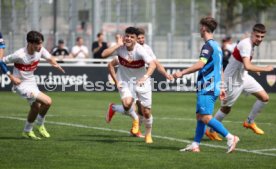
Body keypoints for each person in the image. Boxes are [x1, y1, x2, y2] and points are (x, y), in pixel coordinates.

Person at [173, 16, 239, 153]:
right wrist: (221, 87)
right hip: (212, 86)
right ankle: (195, 144)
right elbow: (220, 68)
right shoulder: (217, 47)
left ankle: (230, 137)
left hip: (207, 87)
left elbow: (200, 64)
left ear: (203, 28)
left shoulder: (208, 46)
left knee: (205, 117)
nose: (199, 29)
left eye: (200, 26)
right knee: (200, 117)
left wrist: (182, 73)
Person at [206, 24, 274, 141]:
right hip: (232, 81)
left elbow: (245, 66)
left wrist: (255, 69)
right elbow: (247, 66)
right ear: (252, 34)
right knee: (226, 109)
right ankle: (210, 131)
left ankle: (249, 122)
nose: (260, 39)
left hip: (243, 77)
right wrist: (264, 69)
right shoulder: (246, 45)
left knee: (264, 98)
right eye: (257, 36)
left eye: (262, 37)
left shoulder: (251, 44)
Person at [104, 28, 173, 138]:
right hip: (127, 81)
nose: (140, 40)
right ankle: (134, 125)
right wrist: (117, 44)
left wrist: (165, 74)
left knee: (144, 111)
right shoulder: (122, 47)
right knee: (129, 106)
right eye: (129, 36)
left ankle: (136, 128)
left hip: (141, 82)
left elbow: (155, 63)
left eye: (141, 38)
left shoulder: (145, 50)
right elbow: (105, 56)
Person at [0, 31, 65, 140]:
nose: (40, 47)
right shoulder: (19, 54)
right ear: (30, 43)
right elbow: (1, 62)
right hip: (21, 84)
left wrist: (55, 64)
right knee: (48, 101)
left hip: (31, 82)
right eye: (37, 44)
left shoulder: (40, 50)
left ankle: (27, 131)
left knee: (35, 107)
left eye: (41, 44)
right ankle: (40, 124)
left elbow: (49, 58)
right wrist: (11, 77)